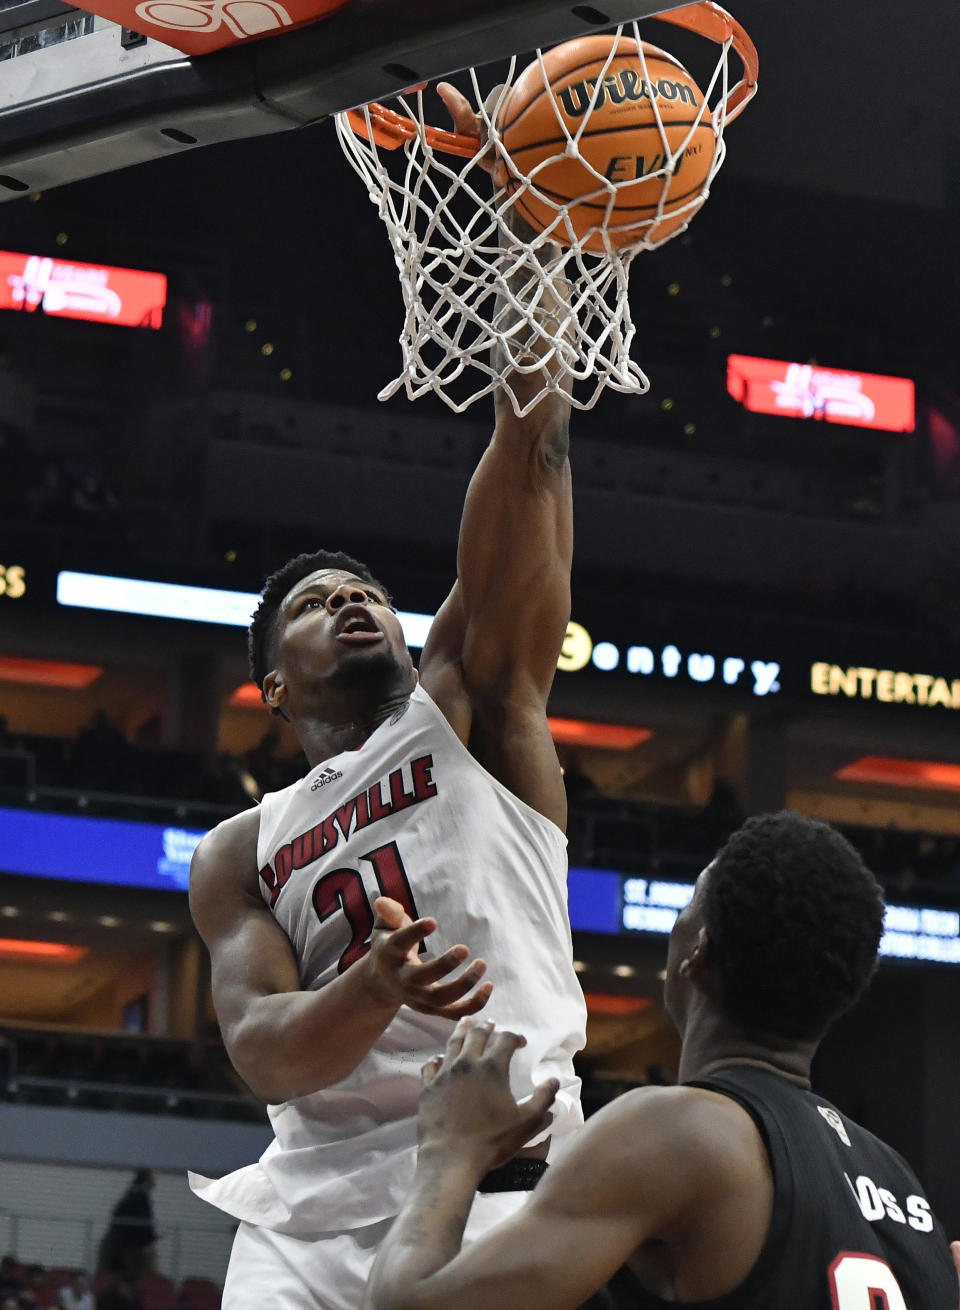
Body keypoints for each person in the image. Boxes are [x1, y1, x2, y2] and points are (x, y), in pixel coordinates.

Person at [188, 83, 587, 1310]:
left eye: (366, 589)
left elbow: (529, 458)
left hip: (505, 1162)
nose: (352, 600)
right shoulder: (239, 849)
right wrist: (376, 984)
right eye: (316, 602)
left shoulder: (472, 700)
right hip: (309, 1203)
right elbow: (263, 1052)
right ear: (270, 683)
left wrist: (540, 259)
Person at [361, 811, 959, 1309]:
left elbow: (408, 1305)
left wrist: (449, 1152)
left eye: (687, 907)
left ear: (696, 953)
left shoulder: (682, 1132)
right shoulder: (899, 1182)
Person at [97, 1170, 157, 1285]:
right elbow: (142, 1224)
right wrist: (149, 1240)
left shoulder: (130, 1197)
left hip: (125, 1247)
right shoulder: (138, 1199)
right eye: (151, 1182)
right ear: (145, 1182)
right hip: (131, 1249)